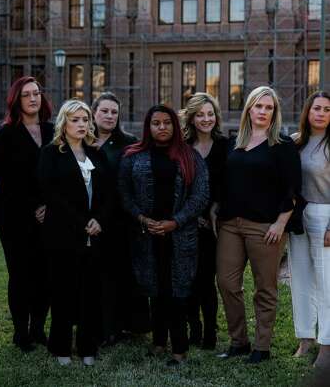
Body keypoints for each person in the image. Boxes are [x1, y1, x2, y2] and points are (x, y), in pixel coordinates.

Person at [119, 104, 208, 367]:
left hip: (179, 237)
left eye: (167, 123)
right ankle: (158, 343)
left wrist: (175, 222)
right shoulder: (133, 156)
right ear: (148, 127)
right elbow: (124, 193)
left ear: (175, 126)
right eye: (156, 123)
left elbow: (201, 196)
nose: (162, 127)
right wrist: (142, 218)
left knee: (177, 292)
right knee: (155, 290)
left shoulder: (190, 156)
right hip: (146, 235)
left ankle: (179, 349)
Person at [216, 86, 301, 364]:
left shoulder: (283, 145)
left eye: (269, 107)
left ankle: (262, 347)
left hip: (266, 226)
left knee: (265, 288)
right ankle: (239, 341)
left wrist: (280, 223)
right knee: (227, 283)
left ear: (274, 112)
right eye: (258, 106)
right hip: (231, 224)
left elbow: (293, 189)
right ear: (249, 109)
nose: (263, 111)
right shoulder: (234, 142)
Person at [38, 99, 112, 367]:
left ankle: (88, 346)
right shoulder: (51, 153)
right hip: (63, 234)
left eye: (85, 120)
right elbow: (51, 194)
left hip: (95, 235)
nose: (82, 125)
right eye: (75, 120)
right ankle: (60, 348)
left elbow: (108, 195)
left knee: (90, 294)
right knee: (63, 293)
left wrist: (99, 220)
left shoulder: (97, 154)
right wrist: (82, 221)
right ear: (64, 123)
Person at [0, 76, 53, 352]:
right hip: (15, 215)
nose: (33, 98)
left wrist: (48, 205)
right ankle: (21, 333)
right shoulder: (7, 133)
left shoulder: (53, 131)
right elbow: (6, 178)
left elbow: (61, 174)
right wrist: (34, 206)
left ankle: (38, 329)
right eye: (26, 94)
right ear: (16, 101)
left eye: (36, 93)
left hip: (50, 216)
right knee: (21, 274)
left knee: (45, 273)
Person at [91, 92, 150, 346]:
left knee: (120, 275)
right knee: (94, 276)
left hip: (120, 221)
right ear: (94, 113)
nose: (109, 116)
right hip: (88, 219)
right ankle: (97, 325)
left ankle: (120, 327)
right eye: (104, 111)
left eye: (114, 112)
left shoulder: (129, 143)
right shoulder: (83, 139)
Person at [179, 93, 228, 350]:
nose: (206, 119)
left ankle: (210, 331)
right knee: (188, 278)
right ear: (192, 117)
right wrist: (192, 215)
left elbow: (227, 184)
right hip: (187, 223)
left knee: (207, 279)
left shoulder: (225, 145)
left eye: (210, 114)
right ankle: (193, 329)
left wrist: (214, 209)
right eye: (200, 114)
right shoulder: (183, 146)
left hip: (213, 225)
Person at [289, 91, 330, 366]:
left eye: (328, 109)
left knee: (327, 284)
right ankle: (305, 339)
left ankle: (326, 346)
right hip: (298, 216)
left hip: (325, 215)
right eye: (317, 108)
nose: (322, 113)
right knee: (301, 280)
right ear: (308, 111)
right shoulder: (295, 142)